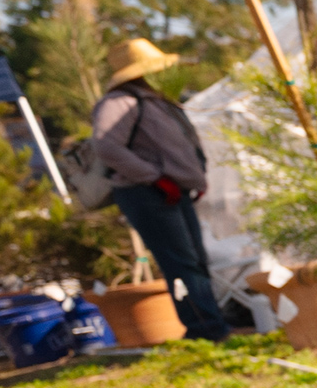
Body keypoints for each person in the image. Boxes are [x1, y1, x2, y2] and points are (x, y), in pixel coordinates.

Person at [81, 39, 251, 336]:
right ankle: (204, 327)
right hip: (148, 192)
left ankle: (212, 321)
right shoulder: (120, 102)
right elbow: (107, 145)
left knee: (195, 259)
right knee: (181, 262)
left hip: (171, 190)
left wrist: (192, 178)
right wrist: (154, 178)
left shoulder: (153, 100)